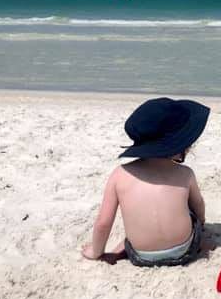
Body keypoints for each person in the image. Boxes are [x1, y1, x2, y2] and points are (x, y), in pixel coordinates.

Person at [81, 97, 211, 267]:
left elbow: (103, 223)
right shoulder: (185, 174)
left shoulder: (119, 175)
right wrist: (201, 223)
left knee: (135, 228)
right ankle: (200, 242)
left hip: (141, 256)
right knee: (188, 209)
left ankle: (121, 248)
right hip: (184, 251)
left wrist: (95, 252)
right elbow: (199, 205)